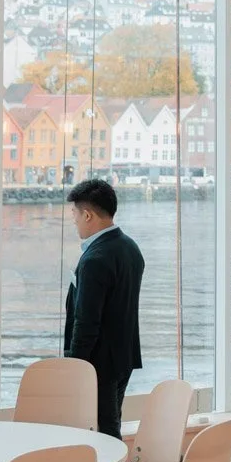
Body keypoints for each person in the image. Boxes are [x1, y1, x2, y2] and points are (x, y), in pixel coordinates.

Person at [64, 178, 144, 439]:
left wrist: (76, 367)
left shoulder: (95, 259)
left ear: (87, 214)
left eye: (75, 214)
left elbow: (86, 321)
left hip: (99, 362)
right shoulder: (130, 248)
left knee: (103, 430)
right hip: (123, 357)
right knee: (111, 423)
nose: (74, 221)